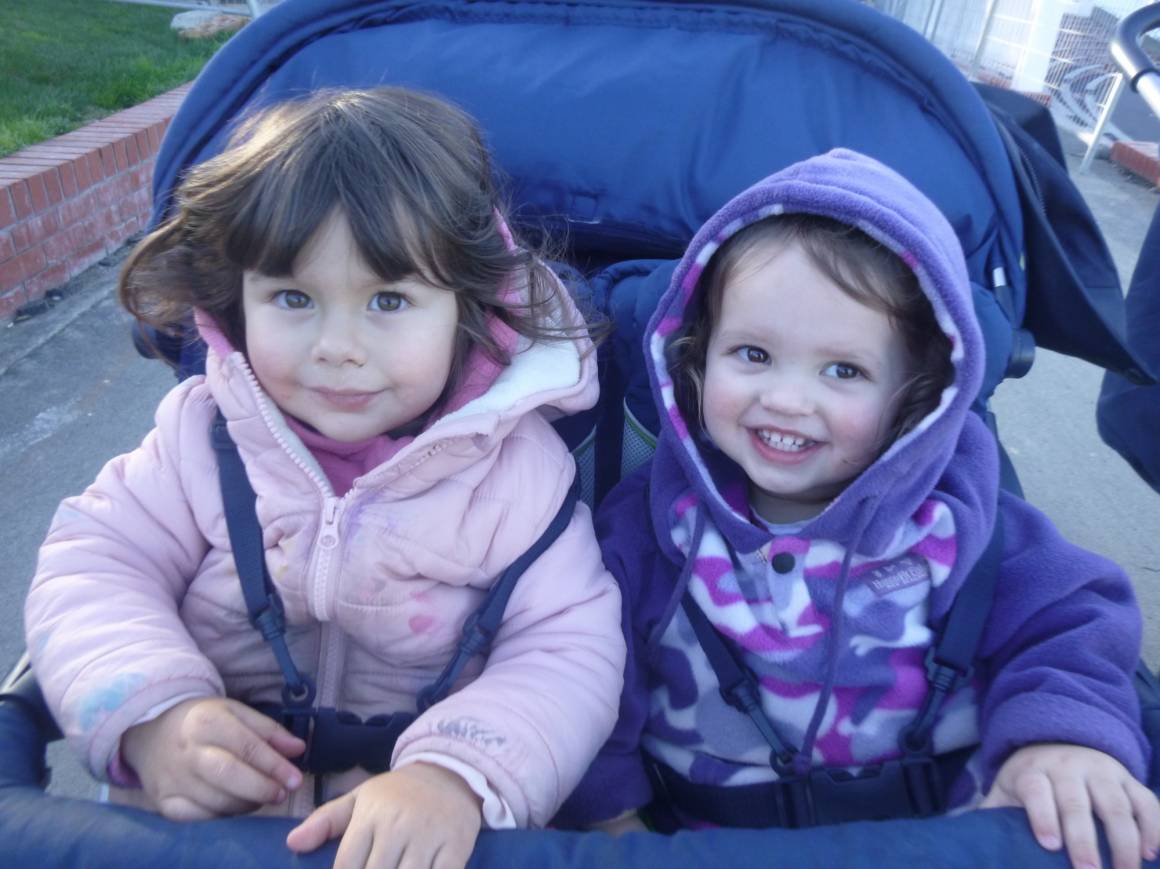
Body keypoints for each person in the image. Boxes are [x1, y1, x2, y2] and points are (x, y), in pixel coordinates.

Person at [24, 87, 624, 869]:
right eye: (294, 297)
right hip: (200, 832)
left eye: (389, 299)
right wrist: (152, 713)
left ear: (470, 308)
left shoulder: (518, 475)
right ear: (237, 301)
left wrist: (457, 774)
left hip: (417, 838)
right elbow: (94, 565)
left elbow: (568, 646)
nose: (338, 346)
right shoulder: (200, 441)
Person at [558, 149, 1160, 869]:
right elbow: (590, 669)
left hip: (945, 837)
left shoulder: (967, 527)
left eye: (843, 370)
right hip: (712, 840)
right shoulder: (648, 530)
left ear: (919, 393)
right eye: (752, 354)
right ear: (696, 353)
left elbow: (1076, 618)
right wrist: (611, 813)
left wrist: (1060, 737)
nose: (786, 398)